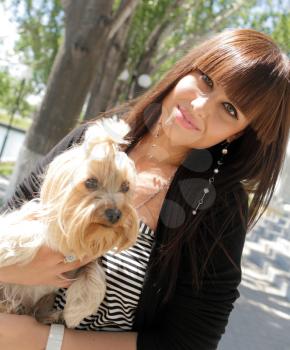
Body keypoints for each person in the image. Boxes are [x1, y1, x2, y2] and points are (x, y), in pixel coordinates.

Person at [0, 28, 289, 350]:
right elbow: (9, 220)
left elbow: (189, 341)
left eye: (230, 109)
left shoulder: (219, 206)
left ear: (238, 133)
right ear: (187, 70)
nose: (200, 105)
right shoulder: (94, 142)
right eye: (206, 81)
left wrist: (41, 340)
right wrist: (13, 269)